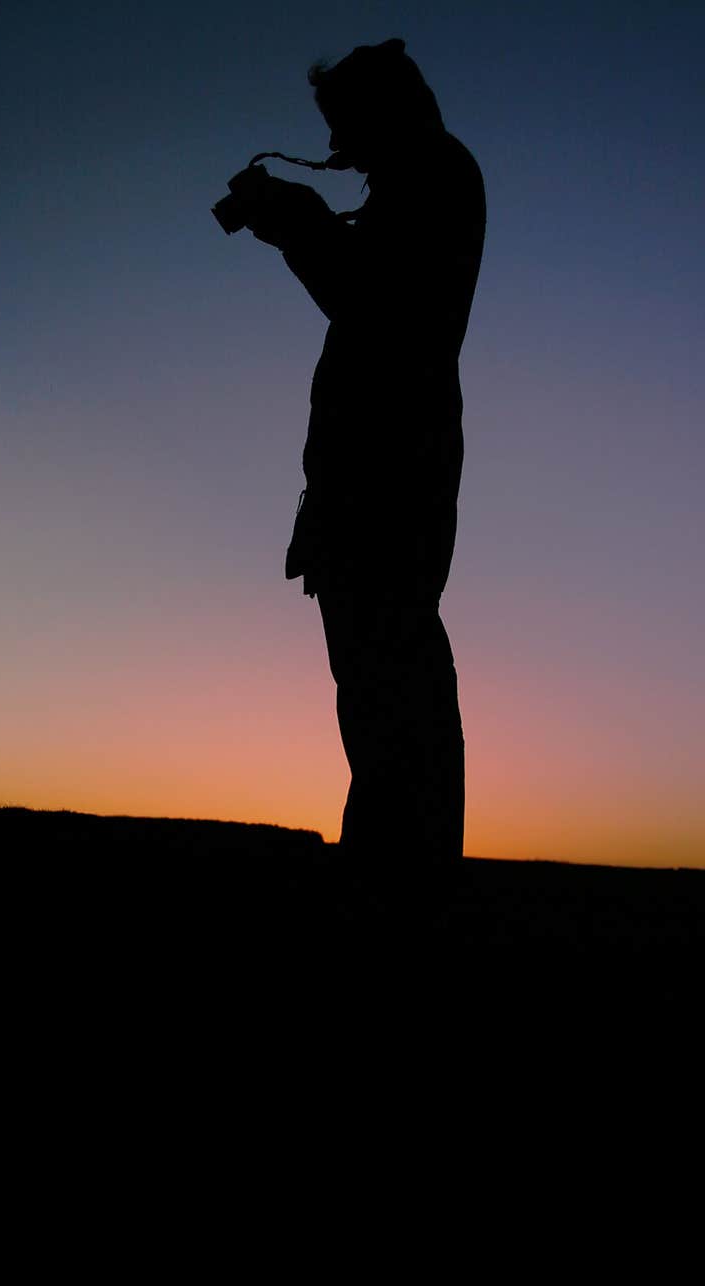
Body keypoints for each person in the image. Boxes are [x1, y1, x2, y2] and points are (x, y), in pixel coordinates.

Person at [235, 39, 486, 911]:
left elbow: (379, 307)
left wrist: (298, 224)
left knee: (392, 684)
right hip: (373, 481)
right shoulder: (420, 184)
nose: (340, 147)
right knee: (381, 691)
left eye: (345, 127)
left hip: (389, 481)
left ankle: (402, 891)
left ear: (384, 112)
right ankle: (393, 877)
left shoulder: (435, 178)